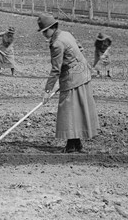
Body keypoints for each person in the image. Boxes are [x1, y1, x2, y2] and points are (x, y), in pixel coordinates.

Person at [39, 14, 99, 153]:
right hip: (83, 73)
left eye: (44, 31)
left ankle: (72, 146)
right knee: (75, 110)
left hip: (73, 79)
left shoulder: (57, 44)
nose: (43, 34)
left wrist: (47, 91)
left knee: (68, 111)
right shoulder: (66, 34)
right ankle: (75, 144)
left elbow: (55, 69)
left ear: (52, 28)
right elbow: (80, 48)